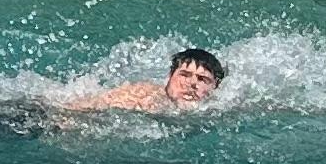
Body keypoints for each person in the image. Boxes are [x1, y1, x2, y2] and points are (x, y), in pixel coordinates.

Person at [65, 46, 226, 116]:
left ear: (215, 86)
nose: (191, 83)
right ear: (170, 76)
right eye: (184, 74)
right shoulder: (141, 97)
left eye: (202, 79)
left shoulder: (221, 109)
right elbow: (78, 108)